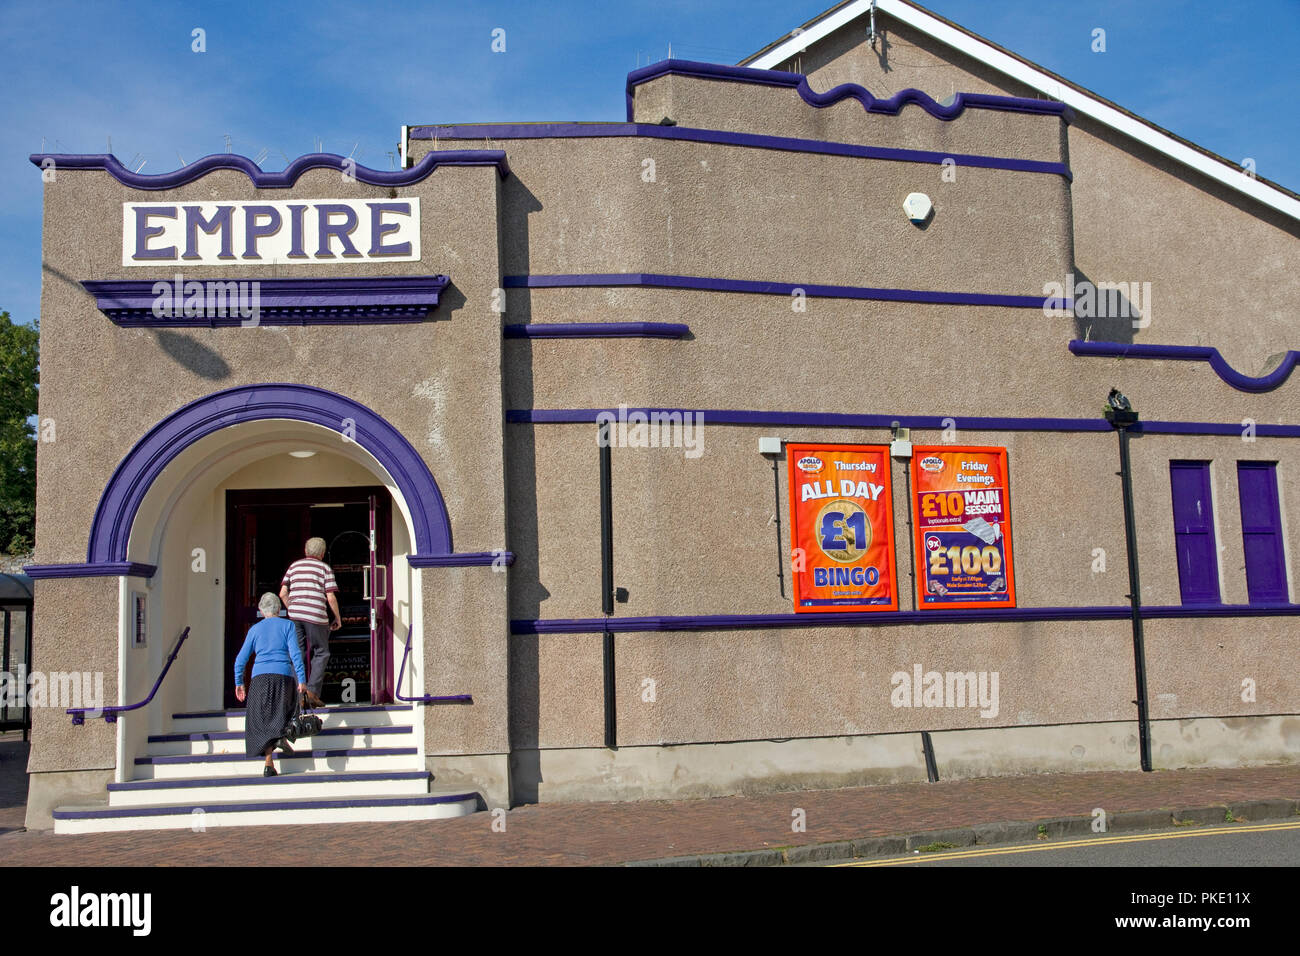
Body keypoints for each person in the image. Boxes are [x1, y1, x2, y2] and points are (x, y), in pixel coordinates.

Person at [233, 592, 307, 776]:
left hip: (260, 679)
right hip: (283, 676)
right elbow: (295, 654)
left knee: (263, 719)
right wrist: (302, 679)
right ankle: (280, 736)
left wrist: (239, 682)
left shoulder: (254, 630)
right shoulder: (288, 625)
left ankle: (269, 761)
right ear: (279, 609)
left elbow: (240, 660)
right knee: (284, 710)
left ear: (260, 610)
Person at [279, 536, 341, 704]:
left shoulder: (294, 566)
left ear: (305, 551)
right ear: (322, 553)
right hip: (315, 616)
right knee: (321, 652)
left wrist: (291, 608)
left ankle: (299, 695)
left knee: (296, 653)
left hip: (295, 616)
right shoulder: (324, 569)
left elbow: (283, 593)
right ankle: (312, 692)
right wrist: (337, 617)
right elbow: (330, 596)